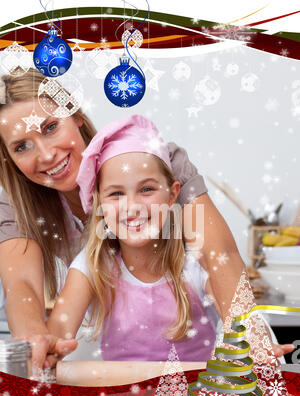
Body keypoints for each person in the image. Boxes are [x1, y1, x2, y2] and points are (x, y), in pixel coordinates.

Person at [0, 69, 293, 371]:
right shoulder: (16, 205)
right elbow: (22, 286)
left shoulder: (157, 158)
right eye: (21, 146)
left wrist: (245, 329)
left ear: (74, 115)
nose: (47, 155)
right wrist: (36, 339)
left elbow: (217, 254)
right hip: (104, 352)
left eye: (50, 127)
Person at [47, 115, 220, 361]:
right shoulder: (92, 265)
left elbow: (239, 322)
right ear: (100, 203)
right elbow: (54, 342)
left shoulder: (194, 263)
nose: (132, 207)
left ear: (172, 195)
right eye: (116, 193)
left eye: (147, 189)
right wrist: (48, 353)